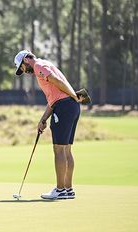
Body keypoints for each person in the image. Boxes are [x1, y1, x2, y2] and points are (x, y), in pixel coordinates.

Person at [14, 50, 85, 200]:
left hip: (64, 107)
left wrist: (73, 95)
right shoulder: (47, 64)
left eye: (22, 67)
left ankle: (60, 190)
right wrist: (43, 119)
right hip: (71, 107)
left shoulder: (39, 66)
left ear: (27, 59)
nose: (24, 71)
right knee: (66, 150)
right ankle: (68, 189)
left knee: (58, 149)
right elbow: (54, 98)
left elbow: (58, 82)